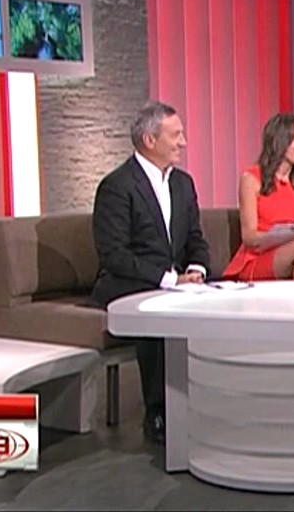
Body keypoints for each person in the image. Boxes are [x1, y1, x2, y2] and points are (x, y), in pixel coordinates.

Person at [91, 101, 211, 444]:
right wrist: (170, 279)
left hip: (175, 281)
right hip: (128, 282)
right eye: (176, 135)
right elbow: (114, 255)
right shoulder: (117, 186)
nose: (183, 142)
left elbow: (195, 238)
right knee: (154, 310)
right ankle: (158, 413)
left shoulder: (183, 184)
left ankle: (203, 401)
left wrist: (197, 269)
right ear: (149, 139)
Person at [222, 112, 294, 282]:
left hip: (291, 256)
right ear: (279, 141)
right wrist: (288, 236)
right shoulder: (251, 179)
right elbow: (249, 238)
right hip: (257, 259)